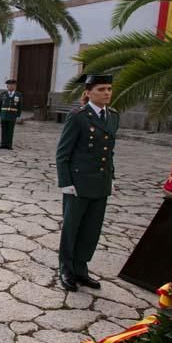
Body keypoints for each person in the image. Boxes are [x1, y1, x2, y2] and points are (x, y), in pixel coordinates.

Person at [55, 73, 119, 292]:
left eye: (109, 89)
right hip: (78, 183)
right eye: (101, 90)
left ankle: (81, 269)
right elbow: (63, 152)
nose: (106, 93)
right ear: (89, 92)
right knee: (72, 228)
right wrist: (66, 182)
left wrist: (111, 178)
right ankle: (66, 268)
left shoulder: (113, 116)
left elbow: (108, 152)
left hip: (100, 183)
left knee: (92, 229)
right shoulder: (78, 116)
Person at [0, 79, 23, 149]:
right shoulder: (2, 94)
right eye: (9, 85)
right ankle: (3, 144)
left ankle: (9, 144)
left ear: (15, 86)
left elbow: (20, 106)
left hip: (12, 115)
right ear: (7, 86)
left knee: (10, 130)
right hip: (4, 114)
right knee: (3, 129)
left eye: (13, 85)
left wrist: (18, 115)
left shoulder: (19, 95)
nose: (11, 86)